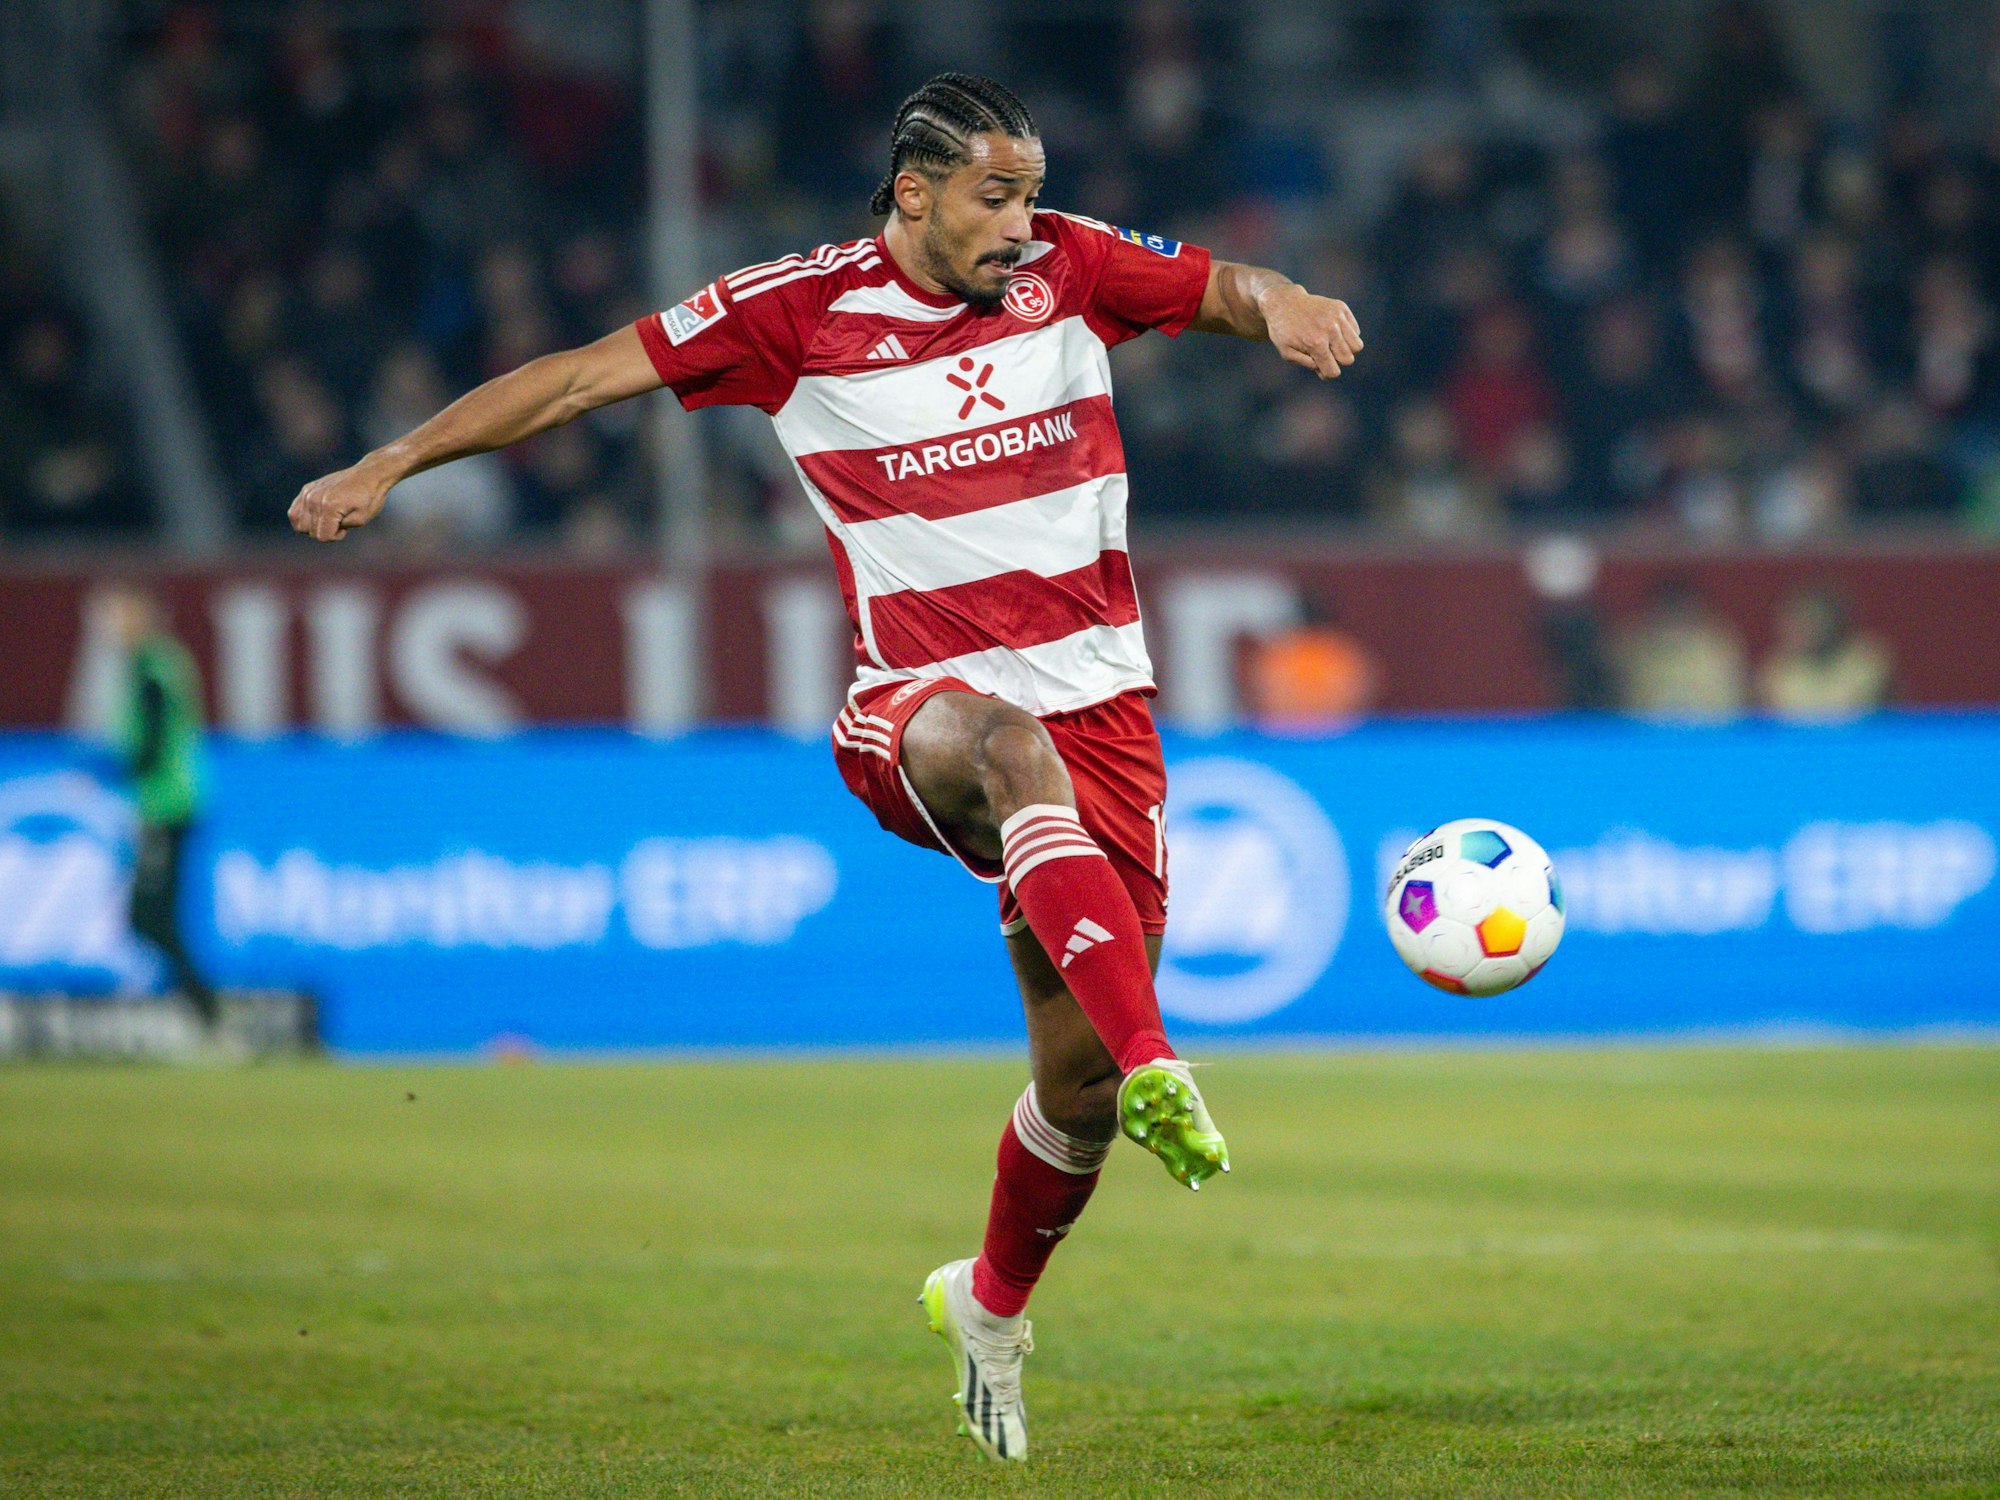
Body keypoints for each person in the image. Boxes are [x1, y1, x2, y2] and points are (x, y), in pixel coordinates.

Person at [286, 72, 1363, 1462]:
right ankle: (1169, 1062)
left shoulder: (1075, 267)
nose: (1020, 222)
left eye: (1030, 192)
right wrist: (394, 458)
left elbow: (1226, 285)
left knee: (1076, 1089)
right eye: (993, 195)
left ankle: (987, 1303)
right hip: (915, 709)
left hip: (1107, 714)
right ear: (913, 193)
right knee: (1006, 752)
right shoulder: (791, 314)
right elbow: (574, 378)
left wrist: (1285, 305)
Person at [108, 585, 219, 1030]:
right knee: (154, 915)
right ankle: (201, 1010)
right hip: (173, 803)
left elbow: (149, 746)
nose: (114, 629)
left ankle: (207, 1011)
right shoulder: (163, 662)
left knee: (147, 915)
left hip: (166, 806)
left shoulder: (150, 668)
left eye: (120, 618)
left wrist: (105, 770)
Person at [1756, 585, 1892, 721]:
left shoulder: (1868, 661)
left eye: (1813, 619)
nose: (1803, 628)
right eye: (1798, 621)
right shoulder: (1775, 671)